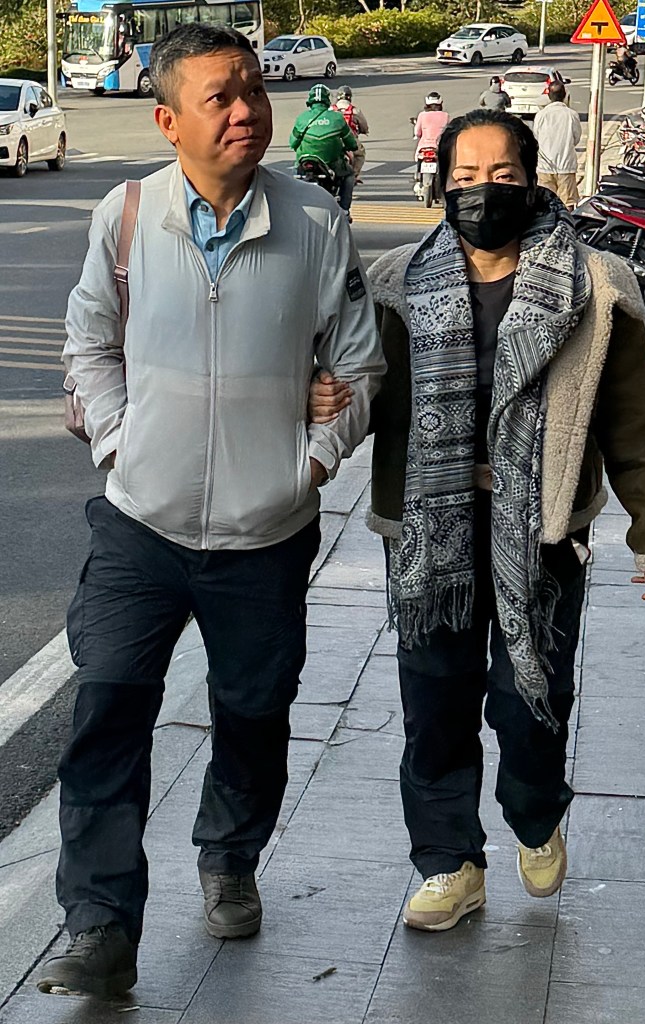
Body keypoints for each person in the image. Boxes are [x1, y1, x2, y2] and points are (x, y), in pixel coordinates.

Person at [38, 22, 385, 999]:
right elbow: (87, 343)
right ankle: (100, 924)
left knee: (254, 709)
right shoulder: (126, 213)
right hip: (138, 525)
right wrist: (120, 444)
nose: (245, 113)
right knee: (108, 706)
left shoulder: (314, 221)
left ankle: (229, 855)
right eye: (219, 98)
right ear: (167, 120)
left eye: (253, 92)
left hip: (265, 534)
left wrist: (310, 461)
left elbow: (359, 364)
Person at [310, 108, 645, 933]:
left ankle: (534, 809)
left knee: (530, 695)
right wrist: (317, 407)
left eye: (502, 176)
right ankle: (448, 864)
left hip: (543, 528)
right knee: (433, 703)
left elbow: (633, 421)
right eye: (466, 177)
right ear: (443, 185)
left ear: (531, 179)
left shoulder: (592, 285)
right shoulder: (396, 282)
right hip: (426, 530)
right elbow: (359, 385)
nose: (484, 191)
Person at [290, 83, 358, 218]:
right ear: (327, 100)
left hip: (304, 162)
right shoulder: (337, 118)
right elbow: (351, 143)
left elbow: (292, 143)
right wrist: (349, 147)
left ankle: (294, 207)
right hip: (331, 164)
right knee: (349, 174)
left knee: (295, 176)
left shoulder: (302, 118)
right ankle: (344, 209)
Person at [532, 81, 582, 210]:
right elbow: (576, 138)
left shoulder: (541, 115)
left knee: (546, 202)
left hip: (545, 166)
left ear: (549, 96)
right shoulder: (571, 115)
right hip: (566, 165)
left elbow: (536, 137)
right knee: (568, 202)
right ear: (564, 95)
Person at [412, 91, 450, 196]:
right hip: (440, 147)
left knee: (419, 161)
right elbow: (448, 132)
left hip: (424, 147)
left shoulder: (422, 115)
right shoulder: (445, 116)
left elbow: (417, 132)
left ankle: (418, 180)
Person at [332, 84, 369, 183]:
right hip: (350, 138)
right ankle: (355, 175)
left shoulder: (331, 110)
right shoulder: (355, 111)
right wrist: (364, 130)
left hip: (333, 138)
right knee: (360, 154)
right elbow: (364, 126)